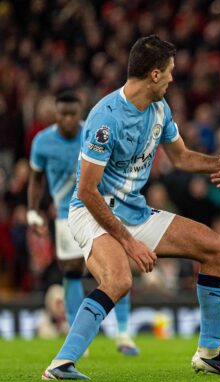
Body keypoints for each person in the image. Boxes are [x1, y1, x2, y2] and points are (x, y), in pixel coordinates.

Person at [42, 35, 220, 380]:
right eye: (169, 72)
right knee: (118, 279)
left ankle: (211, 354)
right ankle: (61, 364)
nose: (172, 78)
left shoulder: (159, 109)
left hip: (134, 211)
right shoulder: (106, 119)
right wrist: (129, 243)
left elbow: (181, 157)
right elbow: (87, 191)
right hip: (92, 212)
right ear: (154, 74)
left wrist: (215, 164)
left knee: (217, 249)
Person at [28, 92, 140, 357]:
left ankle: (123, 333)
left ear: (80, 113)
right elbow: (36, 178)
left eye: (73, 114)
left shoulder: (94, 133)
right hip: (65, 214)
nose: (68, 119)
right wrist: (33, 210)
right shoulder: (42, 141)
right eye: (63, 114)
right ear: (55, 114)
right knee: (71, 270)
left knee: (117, 266)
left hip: (100, 209)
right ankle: (75, 333)